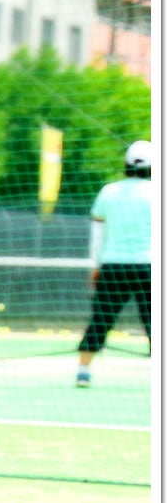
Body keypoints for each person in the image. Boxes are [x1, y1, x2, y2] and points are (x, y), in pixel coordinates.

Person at [76, 139, 153, 387]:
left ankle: (83, 371)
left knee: (101, 318)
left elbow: (97, 235)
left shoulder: (108, 191)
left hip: (113, 266)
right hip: (149, 267)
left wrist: (94, 266)